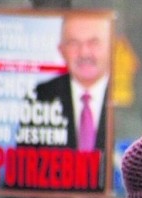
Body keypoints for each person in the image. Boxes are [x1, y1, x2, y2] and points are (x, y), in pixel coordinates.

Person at [23, 12, 112, 151]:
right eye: (73, 43)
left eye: (94, 42)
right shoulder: (41, 96)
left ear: (111, 46)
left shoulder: (125, 97)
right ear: (61, 50)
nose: (84, 53)